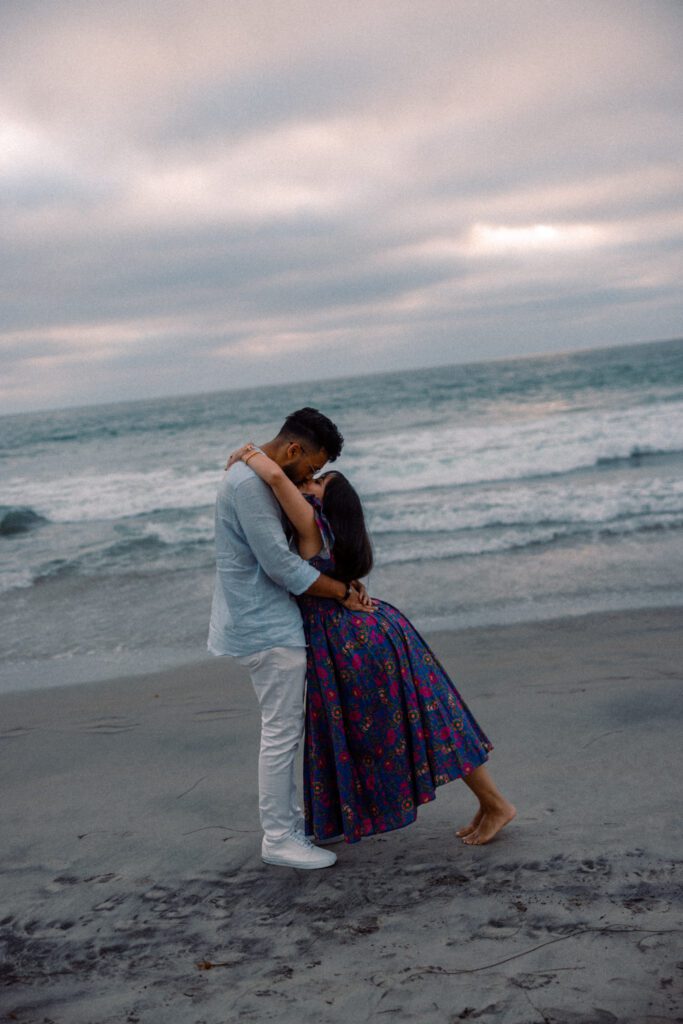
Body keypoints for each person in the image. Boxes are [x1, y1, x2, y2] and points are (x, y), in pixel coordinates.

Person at [228, 443, 516, 847]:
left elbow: (276, 476)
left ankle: (496, 804)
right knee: (434, 715)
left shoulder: (311, 523)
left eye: (316, 481)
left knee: (422, 721)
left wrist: (248, 453)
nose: (307, 484)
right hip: (377, 629)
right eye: (310, 478)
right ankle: (491, 803)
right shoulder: (336, 533)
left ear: (329, 503)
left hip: (351, 641)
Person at [208, 408, 371, 871]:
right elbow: (282, 567)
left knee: (285, 730)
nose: (310, 477)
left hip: (268, 620)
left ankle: (290, 827)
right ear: (295, 450)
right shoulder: (249, 484)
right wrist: (342, 592)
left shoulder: (255, 475)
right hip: (265, 625)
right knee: (281, 733)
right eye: (313, 467)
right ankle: (278, 838)